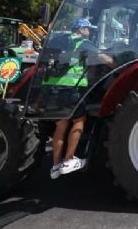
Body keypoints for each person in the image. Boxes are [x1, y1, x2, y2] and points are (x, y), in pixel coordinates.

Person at [49, 18, 115, 180]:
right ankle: (69, 159)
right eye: (87, 29)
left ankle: (55, 164)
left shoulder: (60, 40)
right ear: (79, 29)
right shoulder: (83, 43)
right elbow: (105, 59)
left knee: (61, 124)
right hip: (72, 88)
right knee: (79, 120)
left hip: (55, 87)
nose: (89, 31)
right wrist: (117, 65)